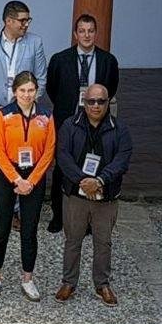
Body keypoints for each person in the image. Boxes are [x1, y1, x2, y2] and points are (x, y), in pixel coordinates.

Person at [0, 0, 47, 231]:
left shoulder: (35, 43)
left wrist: (24, 107)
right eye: (22, 20)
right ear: (8, 21)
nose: (26, 24)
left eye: (28, 20)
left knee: (19, 160)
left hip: (22, 116)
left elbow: (41, 79)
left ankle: (14, 209)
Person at [55, 84, 133, 306]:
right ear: (84, 102)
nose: (96, 105)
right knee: (72, 240)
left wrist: (99, 181)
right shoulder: (70, 125)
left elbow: (122, 160)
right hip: (75, 195)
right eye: (91, 101)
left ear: (108, 103)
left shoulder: (120, 129)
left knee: (103, 242)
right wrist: (83, 180)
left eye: (101, 101)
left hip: (105, 196)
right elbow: (63, 156)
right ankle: (68, 282)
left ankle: (102, 285)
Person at [0, 70, 56, 302]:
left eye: (31, 90)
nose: (27, 95)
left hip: (34, 175)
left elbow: (49, 151)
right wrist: (17, 179)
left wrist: (31, 181)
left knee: (29, 230)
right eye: (22, 90)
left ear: (37, 91)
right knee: (1, 228)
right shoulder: (3, 114)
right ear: (15, 91)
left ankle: (28, 278)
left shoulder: (46, 115)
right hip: (6, 175)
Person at [46, 14, 120, 234]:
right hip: (68, 121)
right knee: (63, 166)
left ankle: (88, 219)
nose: (86, 35)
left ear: (96, 33)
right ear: (75, 34)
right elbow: (52, 89)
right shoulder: (60, 59)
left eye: (90, 31)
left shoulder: (108, 61)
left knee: (93, 165)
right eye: (82, 31)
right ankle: (59, 216)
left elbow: (110, 89)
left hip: (95, 122)